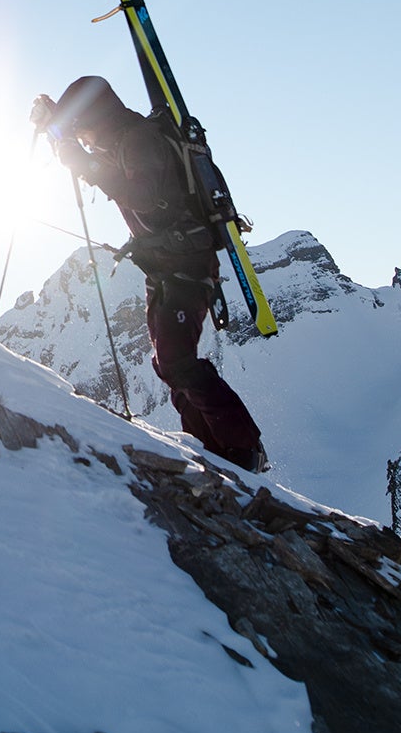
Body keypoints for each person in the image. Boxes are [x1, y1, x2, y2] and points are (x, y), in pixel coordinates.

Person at [31, 76, 266, 472]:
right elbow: (93, 162)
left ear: (97, 118)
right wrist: (54, 121)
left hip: (187, 264)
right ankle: (210, 448)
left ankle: (244, 449)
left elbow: (145, 198)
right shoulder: (117, 142)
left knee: (176, 360)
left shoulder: (139, 140)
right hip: (163, 267)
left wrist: (84, 162)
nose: (84, 140)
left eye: (83, 130)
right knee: (168, 362)